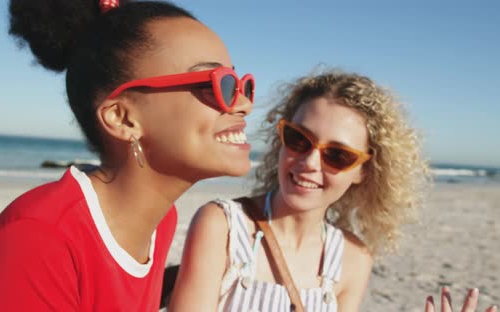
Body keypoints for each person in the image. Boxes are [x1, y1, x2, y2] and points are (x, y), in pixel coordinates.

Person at [0, 0, 254, 310]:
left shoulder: (161, 219)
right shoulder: (39, 240)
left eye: (241, 85)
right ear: (123, 118)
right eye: (217, 84)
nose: (243, 104)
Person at [169, 70, 431, 311]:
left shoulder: (353, 259)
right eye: (299, 139)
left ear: (363, 170)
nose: (309, 163)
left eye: (337, 155)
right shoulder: (223, 226)